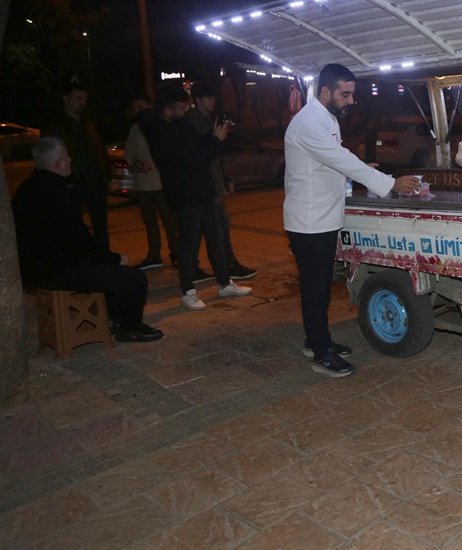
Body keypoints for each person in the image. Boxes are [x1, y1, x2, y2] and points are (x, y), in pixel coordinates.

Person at [284, 63, 420, 377]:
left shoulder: (327, 118)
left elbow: (334, 159)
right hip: (308, 221)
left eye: (352, 94)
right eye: (345, 94)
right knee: (316, 288)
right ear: (326, 91)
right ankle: (321, 354)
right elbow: (341, 159)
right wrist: (388, 182)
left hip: (322, 216)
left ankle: (317, 339)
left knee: (319, 286)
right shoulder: (308, 123)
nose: (350, 100)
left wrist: (361, 168)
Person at [12, 137, 163, 343]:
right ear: (57, 163)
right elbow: (79, 240)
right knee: (134, 278)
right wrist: (114, 258)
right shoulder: (56, 193)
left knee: (103, 269)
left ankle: (114, 319)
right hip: (54, 271)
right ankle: (130, 327)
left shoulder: (26, 189)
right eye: (66, 157)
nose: (70, 160)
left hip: (33, 269)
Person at [139, 84, 252, 311]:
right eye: (181, 108)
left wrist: (215, 136)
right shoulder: (160, 133)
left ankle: (224, 282)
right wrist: (216, 141)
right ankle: (187, 290)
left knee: (215, 237)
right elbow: (191, 160)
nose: (185, 111)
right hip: (184, 195)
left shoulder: (181, 124)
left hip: (203, 190)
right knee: (188, 244)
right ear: (167, 110)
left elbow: (198, 145)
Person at [186, 81, 258, 281]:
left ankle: (193, 267)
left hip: (212, 181)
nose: (213, 101)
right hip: (206, 184)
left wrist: (226, 178)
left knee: (203, 228)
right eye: (209, 98)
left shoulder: (206, 119)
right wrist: (217, 139)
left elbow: (216, 156)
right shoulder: (195, 121)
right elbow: (205, 154)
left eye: (214, 98)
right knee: (218, 227)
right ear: (198, 100)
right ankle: (227, 266)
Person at [42, 80, 111, 251]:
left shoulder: (89, 123)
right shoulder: (56, 125)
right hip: (73, 182)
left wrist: (105, 174)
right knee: (72, 224)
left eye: (84, 99)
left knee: (101, 223)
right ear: (66, 99)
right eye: (78, 99)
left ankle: (103, 257)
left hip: (95, 180)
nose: (82, 103)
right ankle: (78, 258)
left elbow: (99, 149)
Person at [126, 96, 180, 270]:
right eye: (134, 107)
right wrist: (133, 163)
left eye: (141, 106)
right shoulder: (134, 128)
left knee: (169, 221)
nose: (137, 110)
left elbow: (169, 154)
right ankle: (154, 254)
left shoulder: (159, 126)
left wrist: (152, 165)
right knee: (149, 221)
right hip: (142, 184)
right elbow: (129, 152)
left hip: (160, 182)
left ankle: (177, 253)